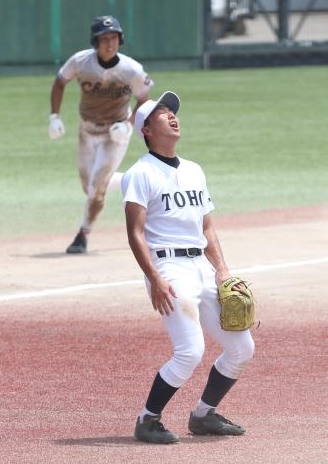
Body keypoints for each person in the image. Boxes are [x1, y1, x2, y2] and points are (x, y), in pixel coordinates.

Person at [121, 91, 255, 444]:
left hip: (201, 268)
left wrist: (223, 271)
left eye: (173, 112)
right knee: (190, 351)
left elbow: (206, 228)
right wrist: (154, 279)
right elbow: (134, 232)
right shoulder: (140, 173)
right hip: (168, 269)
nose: (172, 116)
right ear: (146, 130)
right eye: (162, 113)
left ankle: (204, 415)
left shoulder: (194, 170)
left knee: (242, 348)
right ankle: (147, 419)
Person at [48, 15, 153, 254]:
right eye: (104, 38)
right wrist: (54, 115)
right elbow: (59, 82)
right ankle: (137, 181)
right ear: (95, 41)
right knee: (90, 187)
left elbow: (144, 99)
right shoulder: (81, 62)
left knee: (96, 190)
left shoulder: (131, 69)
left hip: (115, 134)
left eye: (114, 38)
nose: (110, 43)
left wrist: (128, 124)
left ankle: (82, 235)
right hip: (87, 131)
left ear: (120, 40)